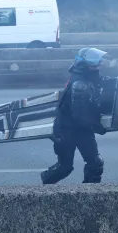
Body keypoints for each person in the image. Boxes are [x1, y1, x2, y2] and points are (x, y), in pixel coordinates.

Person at [41, 47, 110, 185]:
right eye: (94, 64)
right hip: (67, 130)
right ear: (85, 65)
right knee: (64, 167)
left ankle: (90, 194)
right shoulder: (80, 84)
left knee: (95, 164)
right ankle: (43, 190)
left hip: (82, 130)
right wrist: (97, 127)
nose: (98, 67)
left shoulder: (87, 77)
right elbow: (80, 115)